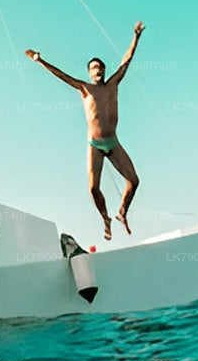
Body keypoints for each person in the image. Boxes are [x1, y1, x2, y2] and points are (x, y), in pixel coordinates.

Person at [26, 21, 144, 240]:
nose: (97, 70)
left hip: (113, 142)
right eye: (93, 68)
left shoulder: (113, 84)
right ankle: (105, 218)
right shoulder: (85, 88)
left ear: (104, 70)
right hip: (95, 144)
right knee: (93, 188)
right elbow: (61, 75)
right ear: (89, 73)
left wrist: (136, 37)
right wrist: (40, 60)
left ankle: (122, 213)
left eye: (100, 67)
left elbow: (126, 61)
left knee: (134, 181)